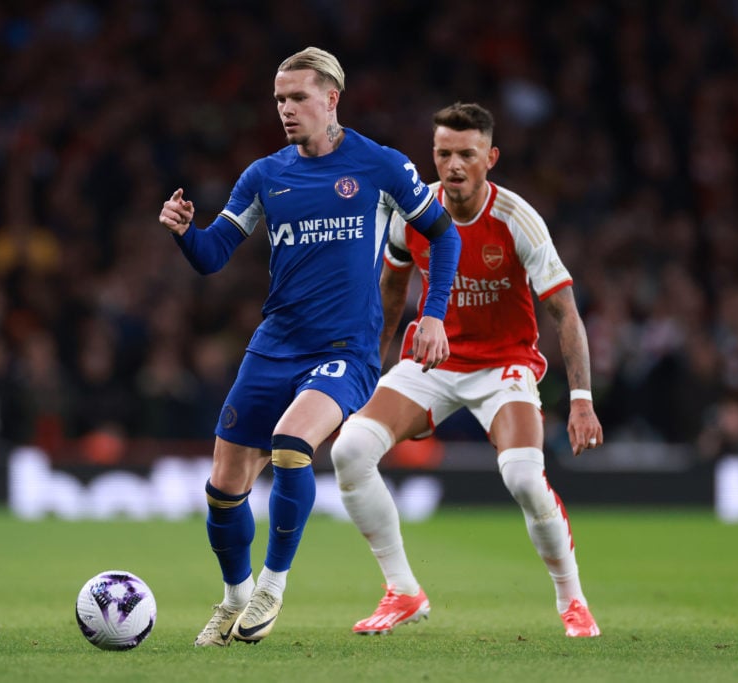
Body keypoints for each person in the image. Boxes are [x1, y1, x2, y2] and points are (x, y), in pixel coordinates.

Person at [157, 47, 462, 646]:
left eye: (298, 97)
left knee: (293, 444)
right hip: (275, 343)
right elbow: (213, 256)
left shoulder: (379, 166)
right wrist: (184, 232)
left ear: (332, 98)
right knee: (224, 486)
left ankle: (272, 585)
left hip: (345, 349)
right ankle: (234, 599)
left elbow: (443, 235)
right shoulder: (266, 176)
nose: (287, 110)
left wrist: (433, 316)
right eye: (279, 100)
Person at [329, 102, 603, 638]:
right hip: (434, 360)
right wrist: (368, 370)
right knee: (349, 450)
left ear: (490, 158)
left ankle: (572, 600)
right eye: (443, 153)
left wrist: (581, 400)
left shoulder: (516, 219)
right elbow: (390, 290)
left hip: (504, 365)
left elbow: (564, 311)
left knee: (523, 476)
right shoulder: (415, 212)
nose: (453, 165)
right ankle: (403, 590)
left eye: (466, 154)